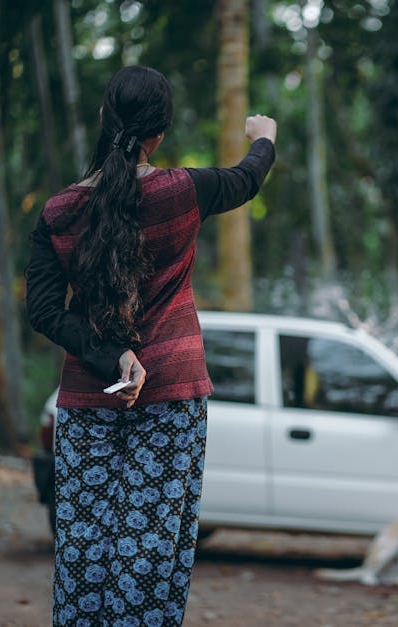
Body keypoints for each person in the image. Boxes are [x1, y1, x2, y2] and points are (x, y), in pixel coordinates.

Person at [25, 65, 277, 625]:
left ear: (103, 118)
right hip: (171, 399)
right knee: (151, 554)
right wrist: (265, 137)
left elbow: (44, 311)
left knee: (83, 555)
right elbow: (248, 177)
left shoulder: (60, 211)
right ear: (159, 131)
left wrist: (110, 353)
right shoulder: (184, 192)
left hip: (88, 401)